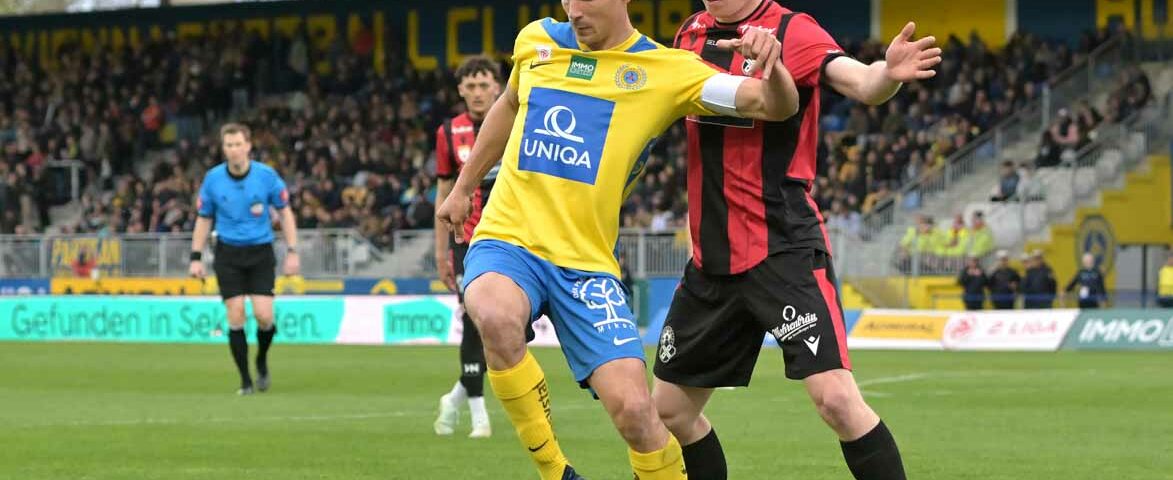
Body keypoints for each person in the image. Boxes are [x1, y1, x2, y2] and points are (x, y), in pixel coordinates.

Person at [435, 0, 801, 477]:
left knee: (636, 413)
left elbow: (775, 105)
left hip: (587, 265)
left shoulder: (666, 70)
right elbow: (509, 103)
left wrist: (772, 65)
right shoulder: (536, 40)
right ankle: (556, 472)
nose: (573, 10)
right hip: (509, 238)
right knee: (492, 311)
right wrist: (464, 187)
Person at [653, 1, 941, 478]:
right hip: (712, 261)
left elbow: (861, 82)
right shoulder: (690, 34)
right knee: (670, 411)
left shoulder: (792, 29)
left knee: (836, 400)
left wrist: (887, 75)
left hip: (782, 248)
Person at [190, 123, 300, 395]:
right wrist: (196, 257)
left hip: (260, 251)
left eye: (238, 144)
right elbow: (203, 219)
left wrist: (292, 251)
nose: (234, 150)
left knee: (264, 316)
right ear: (223, 148)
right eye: (229, 145)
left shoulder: (266, 176)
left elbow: (285, 212)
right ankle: (245, 381)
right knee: (236, 313)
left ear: (248, 146)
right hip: (227, 252)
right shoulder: (213, 179)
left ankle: (261, 359)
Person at [432, 55, 502, 440]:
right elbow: (444, 192)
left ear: (497, 87)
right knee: (473, 321)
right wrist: (440, 251)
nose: (477, 93)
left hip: (507, 238)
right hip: (465, 241)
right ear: (460, 90)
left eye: (484, 85)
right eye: (470, 86)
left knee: (501, 328)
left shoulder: (516, 122)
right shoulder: (448, 132)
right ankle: (479, 415)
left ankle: (454, 398)